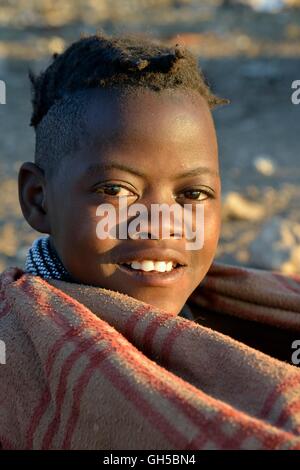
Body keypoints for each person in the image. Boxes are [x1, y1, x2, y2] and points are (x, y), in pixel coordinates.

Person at [1, 32, 300, 450]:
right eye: (116, 190)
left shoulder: (251, 313)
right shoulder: (20, 355)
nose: (159, 224)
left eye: (192, 195)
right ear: (38, 199)